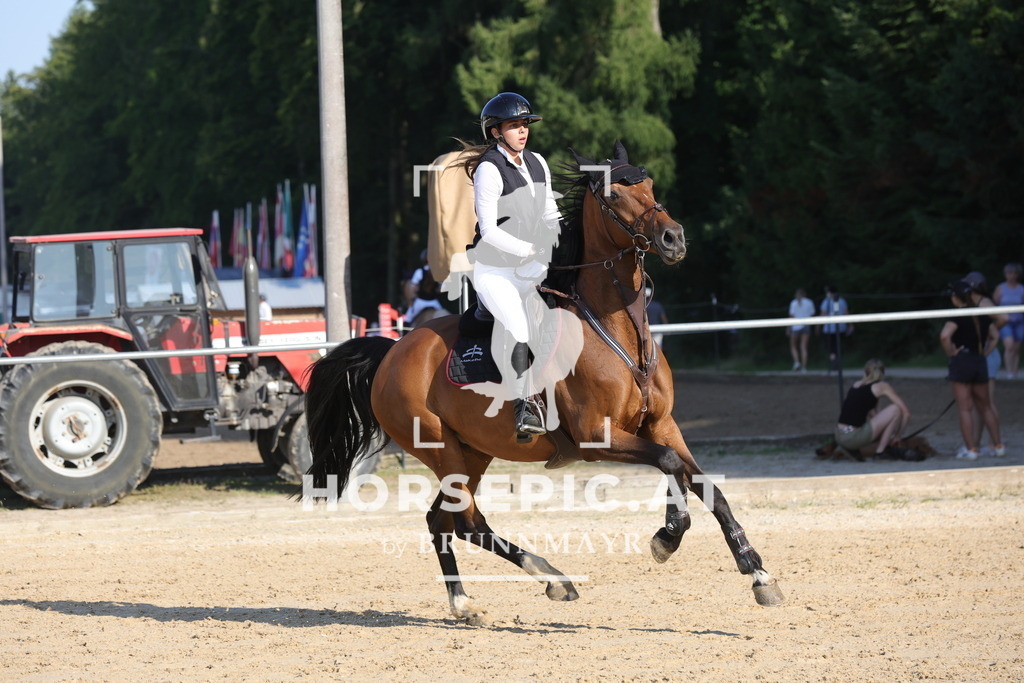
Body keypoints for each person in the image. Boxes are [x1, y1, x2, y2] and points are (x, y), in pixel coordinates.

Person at [460, 92, 562, 438]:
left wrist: (562, 240)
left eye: (524, 125)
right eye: (514, 126)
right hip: (495, 271)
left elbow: (551, 213)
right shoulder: (489, 169)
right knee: (518, 327)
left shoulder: (538, 162)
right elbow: (488, 231)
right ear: (495, 132)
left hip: (532, 267)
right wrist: (529, 249)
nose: (523, 131)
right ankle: (524, 408)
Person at [940, 280, 1004, 459]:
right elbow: (995, 336)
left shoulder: (958, 315)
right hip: (978, 361)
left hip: (962, 362)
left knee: (965, 408)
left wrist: (951, 352)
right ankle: (998, 446)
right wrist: (984, 352)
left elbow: (945, 335)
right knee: (986, 406)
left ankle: (972, 450)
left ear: (956, 298)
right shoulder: (981, 314)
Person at [962, 271, 1008, 454]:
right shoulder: (975, 302)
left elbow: (1004, 318)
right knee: (980, 403)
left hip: (988, 354)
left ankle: (994, 443)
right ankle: (977, 442)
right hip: (982, 354)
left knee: (987, 402)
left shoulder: (984, 302)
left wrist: (988, 332)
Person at [834, 359, 912, 460]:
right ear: (882, 373)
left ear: (865, 372)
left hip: (839, 436)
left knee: (886, 417)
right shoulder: (882, 386)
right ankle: (880, 452)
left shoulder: (856, 385)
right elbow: (906, 413)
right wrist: (898, 436)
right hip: (853, 437)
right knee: (895, 409)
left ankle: (850, 448)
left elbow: (875, 417)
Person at [993, 262, 1023, 379]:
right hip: (1006, 321)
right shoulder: (1000, 288)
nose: (1011, 275)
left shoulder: (1021, 289)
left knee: (1016, 347)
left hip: (1019, 321)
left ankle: (1015, 371)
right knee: (1009, 345)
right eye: (1009, 273)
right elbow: (995, 303)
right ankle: (1009, 371)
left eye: (1014, 273)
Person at [403, 249, 446, 325]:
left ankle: (404, 334)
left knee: (407, 319)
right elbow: (441, 288)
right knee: (444, 318)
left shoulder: (419, 272)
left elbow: (413, 287)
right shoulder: (436, 272)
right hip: (434, 302)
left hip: (420, 301)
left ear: (423, 260)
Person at [819, 285, 851, 372]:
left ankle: (834, 360)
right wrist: (850, 325)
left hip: (830, 328)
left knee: (830, 347)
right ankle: (836, 360)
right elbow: (846, 313)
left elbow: (823, 314)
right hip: (841, 327)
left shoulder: (826, 302)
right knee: (837, 346)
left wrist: (818, 325)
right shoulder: (842, 301)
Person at [787, 288, 815, 372]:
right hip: (806, 326)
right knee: (803, 347)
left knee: (793, 346)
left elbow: (791, 316)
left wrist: (788, 327)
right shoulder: (809, 302)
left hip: (795, 327)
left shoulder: (793, 303)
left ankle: (796, 362)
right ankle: (804, 367)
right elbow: (812, 313)